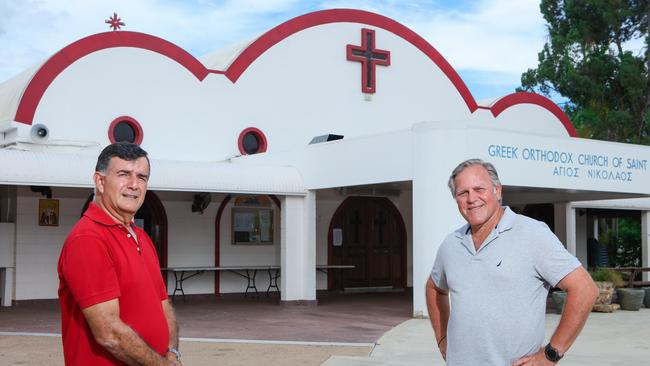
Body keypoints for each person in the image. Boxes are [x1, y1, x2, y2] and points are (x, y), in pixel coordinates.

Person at [426, 159, 598, 365]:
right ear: (456, 199)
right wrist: (442, 339)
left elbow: (585, 289)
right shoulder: (451, 244)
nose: (472, 198)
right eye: (463, 193)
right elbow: (434, 287)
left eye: (479, 189)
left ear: (498, 191)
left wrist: (551, 353)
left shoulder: (532, 234)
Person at [58, 142, 181, 365]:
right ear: (100, 181)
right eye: (124, 174)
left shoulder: (141, 237)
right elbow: (109, 333)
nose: (134, 185)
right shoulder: (88, 239)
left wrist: (172, 352)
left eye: (142, 177)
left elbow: (164, 305)